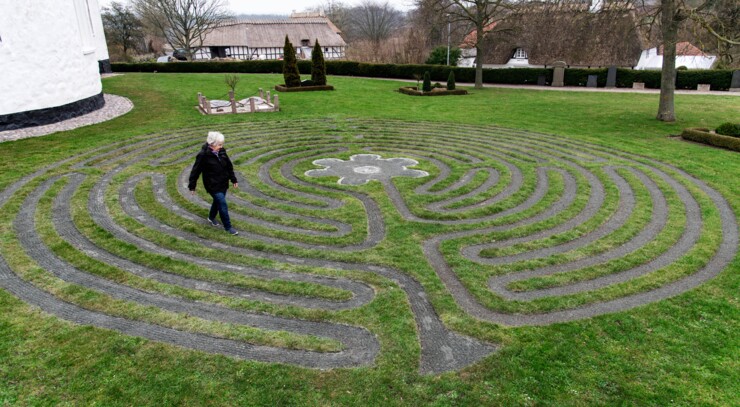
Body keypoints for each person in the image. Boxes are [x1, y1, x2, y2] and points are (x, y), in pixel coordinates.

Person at [188, 131, 240, 235]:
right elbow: (195, 171)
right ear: (212, 144)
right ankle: (228, 227)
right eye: (219, 144)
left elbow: (229, 166)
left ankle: (211, 217)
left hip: (223, 183)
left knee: (218, 202)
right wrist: (192, 186)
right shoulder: (203, 155)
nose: (221, 146)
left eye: (222, 144)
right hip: (212, 185)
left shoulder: (222, 151)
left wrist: (233, 179)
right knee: (222, 203)